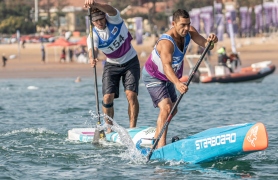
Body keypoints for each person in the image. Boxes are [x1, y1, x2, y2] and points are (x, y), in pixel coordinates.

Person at [142, 9, 218, 148]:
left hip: (169, 77)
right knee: (166, 108)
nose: (186, 28)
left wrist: (212, 41)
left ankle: (156, 136)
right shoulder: (166, 43)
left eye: (188, 24)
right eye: (182, 25)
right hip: (154, 75)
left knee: (173, 110)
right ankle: (161, 147)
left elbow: (207, 46)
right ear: (173, 23)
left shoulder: (190, 32)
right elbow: (166, 66)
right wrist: (177, 83)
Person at [84, 0, 140, 133]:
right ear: (92, 22)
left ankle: (132, 128)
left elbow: (109, 8)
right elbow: (93, 49)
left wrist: (95, 3)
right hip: (112, 64)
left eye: (101, 19)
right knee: (107, 97)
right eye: (96, 21)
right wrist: (92, 57)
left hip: (130, 60)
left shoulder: (114, 19)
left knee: (131, 94)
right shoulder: (93, 35)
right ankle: (109, 128)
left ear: (105, 16)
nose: (100, 22)